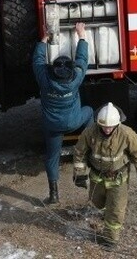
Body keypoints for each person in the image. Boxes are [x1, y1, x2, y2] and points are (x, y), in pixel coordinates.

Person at [73, 102, 137, 248]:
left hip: (118, 179)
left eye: (111, 126)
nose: (107, 129)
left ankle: (110, 239)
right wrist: (80, 174)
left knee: (115, 209)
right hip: (97, 176)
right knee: (97, 202)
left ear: (117, 123)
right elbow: (79, 153)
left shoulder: (127, 134)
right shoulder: (89, 133)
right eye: (104, 126)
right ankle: (106, 212)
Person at [32, 21, 93, 205]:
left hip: (52, 126)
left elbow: (38, 60)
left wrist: (44, 38)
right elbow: (83, 59)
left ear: (53, 70)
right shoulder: (75, 79)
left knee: (52, 157)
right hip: (74, 121)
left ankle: (54, 195)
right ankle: (89, 142)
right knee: (90, 111)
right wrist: (81, 35)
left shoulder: (45, 79)